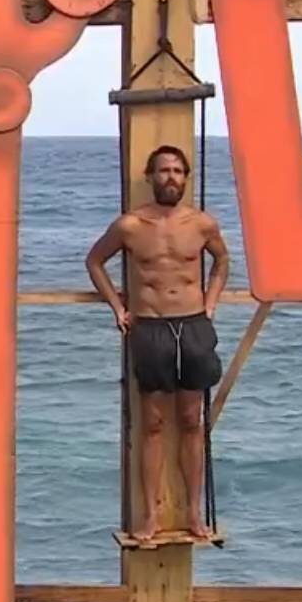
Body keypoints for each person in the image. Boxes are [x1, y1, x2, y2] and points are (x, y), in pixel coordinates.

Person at [86, 145, 231, 541]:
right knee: (151, 423)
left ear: (186, 178)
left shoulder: (202, 223)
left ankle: (194, 514)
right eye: (164, 170)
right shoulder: (130, 225)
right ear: (150, 177)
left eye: (178, 171)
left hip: (193, 324)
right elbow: (94, 261)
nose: (171, 177)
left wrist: (211, 303)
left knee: (191, 420)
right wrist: (118, 307)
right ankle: (150, 515)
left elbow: (222, 261)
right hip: (150, 327)